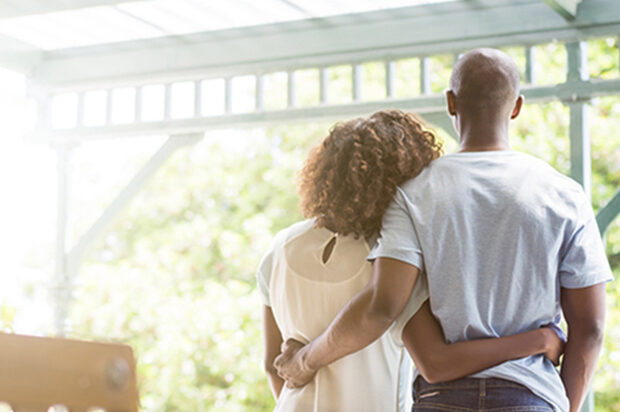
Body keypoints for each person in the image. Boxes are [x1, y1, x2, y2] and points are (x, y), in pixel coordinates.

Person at [274, 49, 613, 412]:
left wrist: (305, 360)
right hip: (529, 396)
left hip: (442, 400)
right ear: (516, 107)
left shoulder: (413, 194)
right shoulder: (565, 195)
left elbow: (383, 305)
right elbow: (590, 328)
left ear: (451, 102)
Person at [260, 110, 564, 412]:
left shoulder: (278, 249)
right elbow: (436, 360)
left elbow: (273, 365)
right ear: (408, 178)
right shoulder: (392, 262)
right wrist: (538, 341)